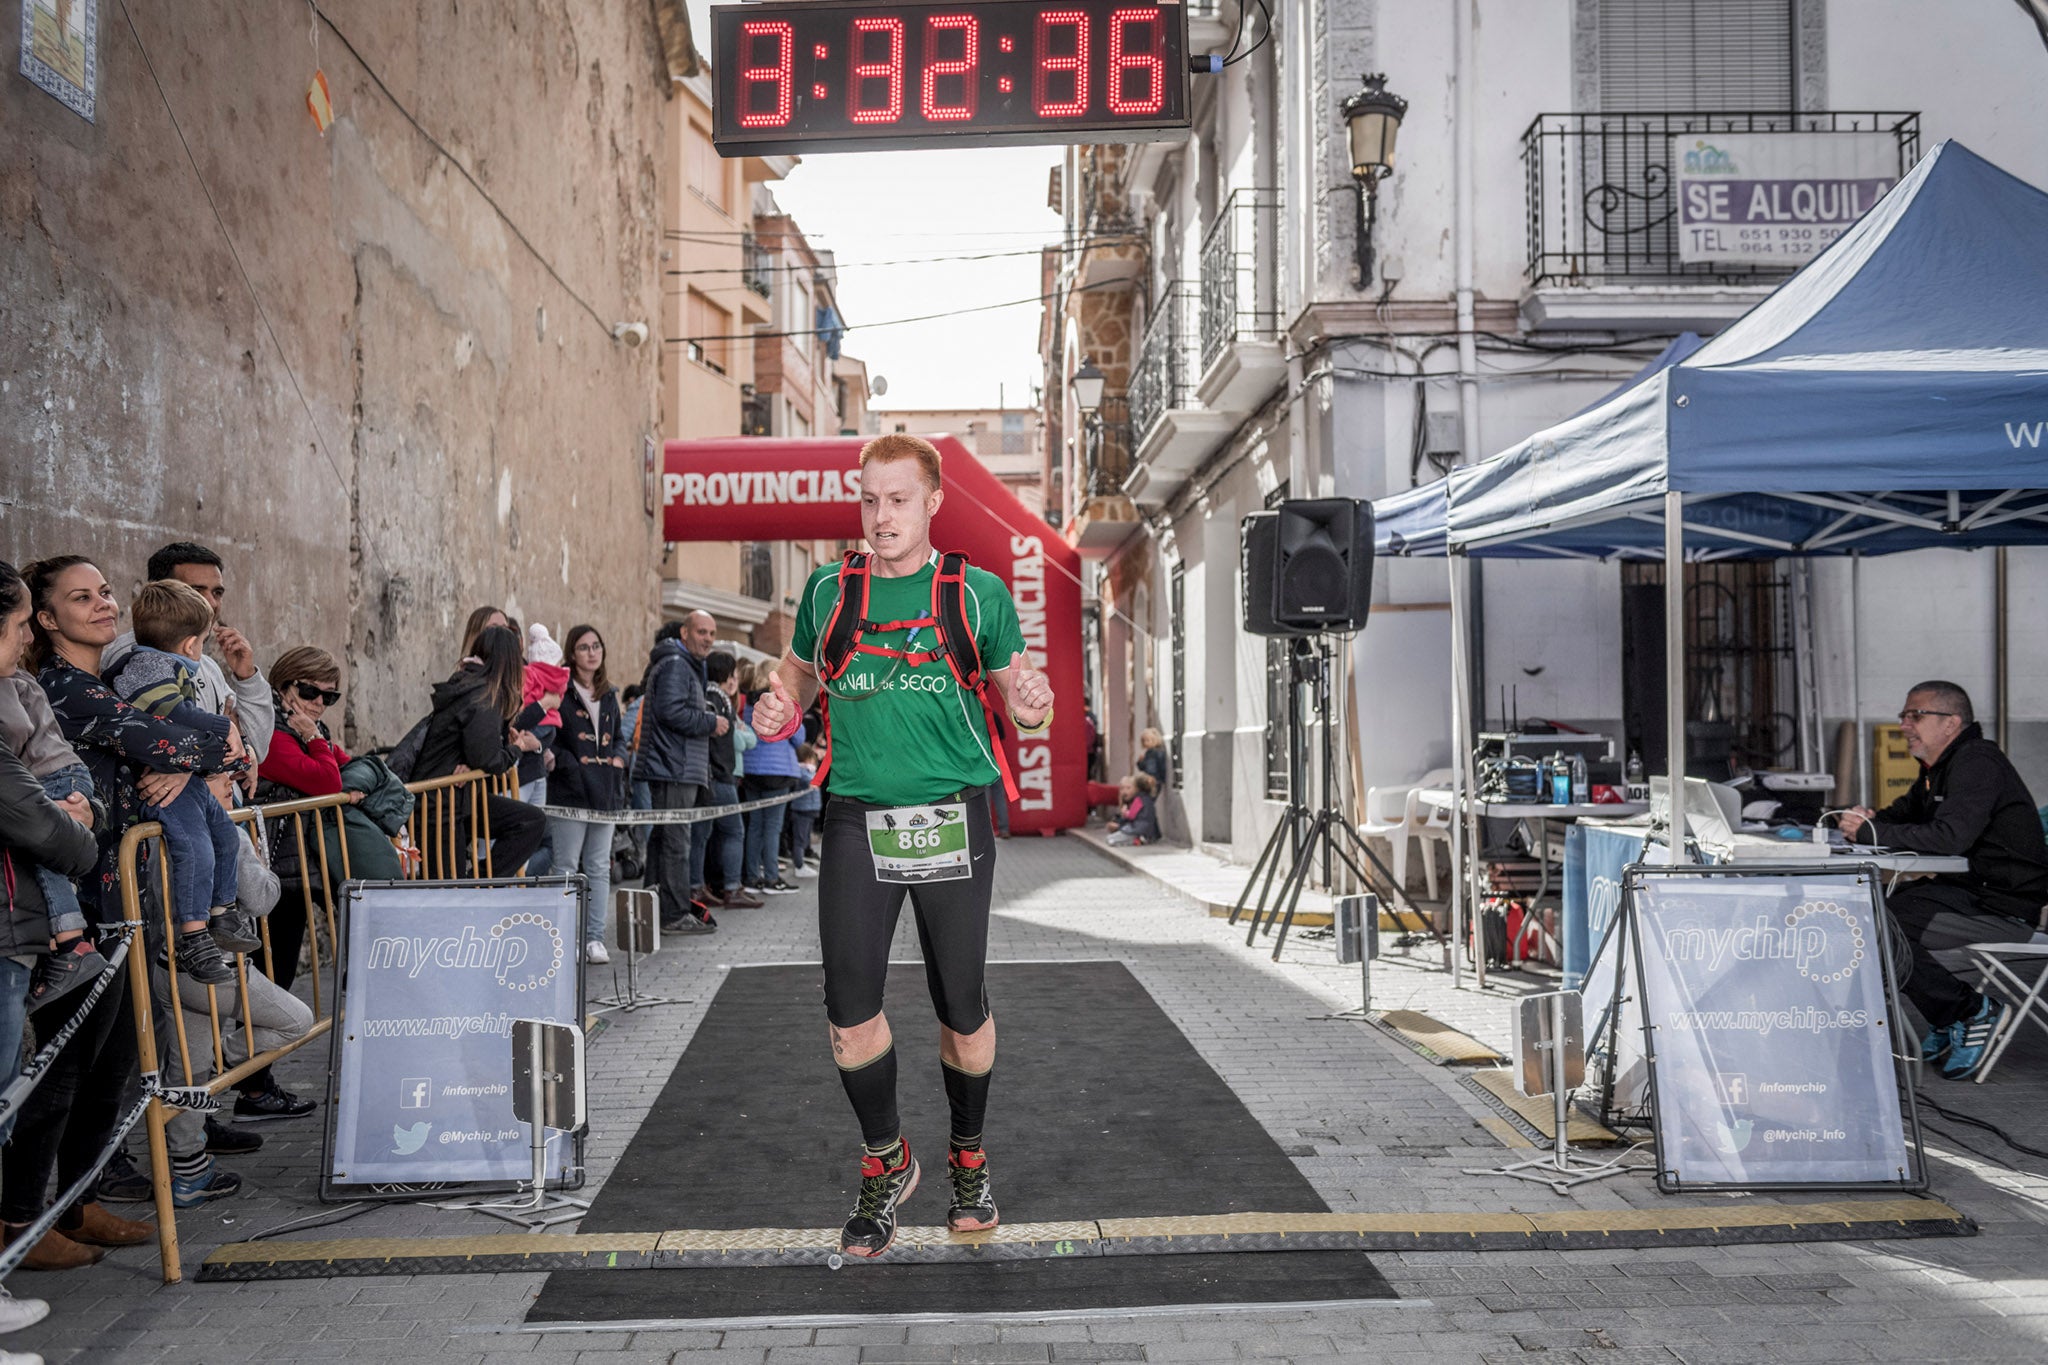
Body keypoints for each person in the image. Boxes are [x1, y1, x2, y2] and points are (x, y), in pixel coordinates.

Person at [750, 433, 1054, 1258]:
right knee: (848, 1014)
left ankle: (968, 1161)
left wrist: (1034, 702)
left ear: (932, 503)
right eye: (870, 500)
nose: (882, 516)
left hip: (954, 810)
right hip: (856, 816)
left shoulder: (976, 595)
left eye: (898, 500)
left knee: (962, 1005)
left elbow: (1026, 705)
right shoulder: (829, 590)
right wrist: (775, 705)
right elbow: (796, 676)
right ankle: (887, 1162)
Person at [12, 557, 236, 1262]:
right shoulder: (64, 689)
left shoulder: (105, 679)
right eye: (81, 597)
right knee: (62, 1070)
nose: (103, 603)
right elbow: (187, 739)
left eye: (105, 590)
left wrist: (189, 753)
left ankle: (79, 1204)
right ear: (46, 619)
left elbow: (201, 742)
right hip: (68, 905)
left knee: (110, 1066)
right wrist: (194, 753)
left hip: (117, 897)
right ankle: (22, 1220)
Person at [1839, 681, 2048, 1080]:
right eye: (1903, 716)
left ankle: (1969, 1011)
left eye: (1915, 715)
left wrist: (1870, 832)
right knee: (1866, 913)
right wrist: (1866, 821)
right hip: (1969, 893)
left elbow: (1951, 837)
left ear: (1951, 722)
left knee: (1876, 924)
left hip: (2006, 904)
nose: (1904, 724)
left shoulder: (1977, 762)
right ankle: (1950, 1015)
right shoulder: (1940, 768)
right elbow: (1902, 817)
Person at [104, 580, 254, 985]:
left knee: (224, 836)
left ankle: (222, 912)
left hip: (186, 778)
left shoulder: (166, 665)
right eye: (203, 642)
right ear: (191, 645)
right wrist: (223, 727)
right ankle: (193, 935)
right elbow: (171, 711)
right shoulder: (146, 667)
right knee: (195, 848)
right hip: (159, 783)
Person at [0, 566, 109, 1007]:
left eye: (105, 592)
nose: (27, 639)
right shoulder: (46, 682)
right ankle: (70, 942)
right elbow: (40, 828)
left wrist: (90, 818)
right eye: (21, 624)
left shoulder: (14, 683)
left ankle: (70, 941)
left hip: (56, 778)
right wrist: (82, 840)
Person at [104, 541, 276, 786]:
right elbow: (147, 739)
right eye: (196, 591)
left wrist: (247, 677)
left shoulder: (206, 665)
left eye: (217, 593)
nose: (211, 603)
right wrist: (219, 732)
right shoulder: (132, 659)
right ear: (161, 591)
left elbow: (253, 751)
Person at [410, 625, 549, 877]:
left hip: (458, 800)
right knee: (445, 890)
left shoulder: (472, 686)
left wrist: (483, 759)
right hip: (439, 806)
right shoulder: (481, 694)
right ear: (509, 661)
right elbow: (489, 758)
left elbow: (480, 752)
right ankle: (479, 886)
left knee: (530, 820)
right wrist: (517, 749)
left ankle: (482, 883)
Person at [637, 612, 725, 933]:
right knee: (675, 842)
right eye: (702, 632)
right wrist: (710, 722)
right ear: (685, 633)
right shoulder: (676, 663)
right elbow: (671, 711)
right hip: (674, 766)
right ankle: (673, 915)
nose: (708, 639)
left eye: (712, 634)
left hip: (677, 765)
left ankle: (653, 910)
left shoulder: (683, 663)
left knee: (665, 840)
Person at [545, 625, 627, 963]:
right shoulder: (561, 692)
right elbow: (552, 738)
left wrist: (620, 758)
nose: (592, 653)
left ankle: (594, 937)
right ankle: (563, 936)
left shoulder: (608, 694)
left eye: (596, 646)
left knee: (598, 866)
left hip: (605, 790)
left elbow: (619, 735)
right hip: (570, 793)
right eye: (583, 647)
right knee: (565, 865)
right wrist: (572, 766)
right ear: (572, 652)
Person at [689, 651, 762, 911]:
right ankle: (732, 888)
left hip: (705, 776)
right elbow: (726, 741)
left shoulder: (707, 697)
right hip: (719, 776)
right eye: (732, 674)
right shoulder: (717, 700)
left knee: (701, 834)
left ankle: (696, 886)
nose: (735, 679)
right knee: (734, 831)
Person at [740, 666, 805, 896]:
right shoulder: (779, 702)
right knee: (772, 828)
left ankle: (751, 877)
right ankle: (771, 877)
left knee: (755, 826)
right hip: (778, 773)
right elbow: (798, 737)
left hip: (751, 772)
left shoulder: (748, 705)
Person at [514, 623, 564, 876]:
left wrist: (541, 746)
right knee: (519, 836)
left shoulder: (532, 674)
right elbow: (514, 722)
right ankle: (515, 885)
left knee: (538, 838)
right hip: (518, 770)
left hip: (535, 768)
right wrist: (545, 704)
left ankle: (524, 886)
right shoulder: (529, 677)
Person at [788, 743, 823, 877]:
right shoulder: (802, 771)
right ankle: (799, 866)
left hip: (809, 810)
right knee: (800, 839)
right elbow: (808, 781)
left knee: (804, 838)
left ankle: (801, 862)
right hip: (802, 810)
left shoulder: (808, 771)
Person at [1106, 773, 1161, 846]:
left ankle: (1137, 840)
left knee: (1110, 839)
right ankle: (1142, 839)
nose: (1125, 791)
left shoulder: (1138, 799)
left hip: (1137, 829)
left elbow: (1131, 815)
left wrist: (1125, 812)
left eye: (1129, 788)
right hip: (1148, 829)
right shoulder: (1148, 798)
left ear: (1136, 788)